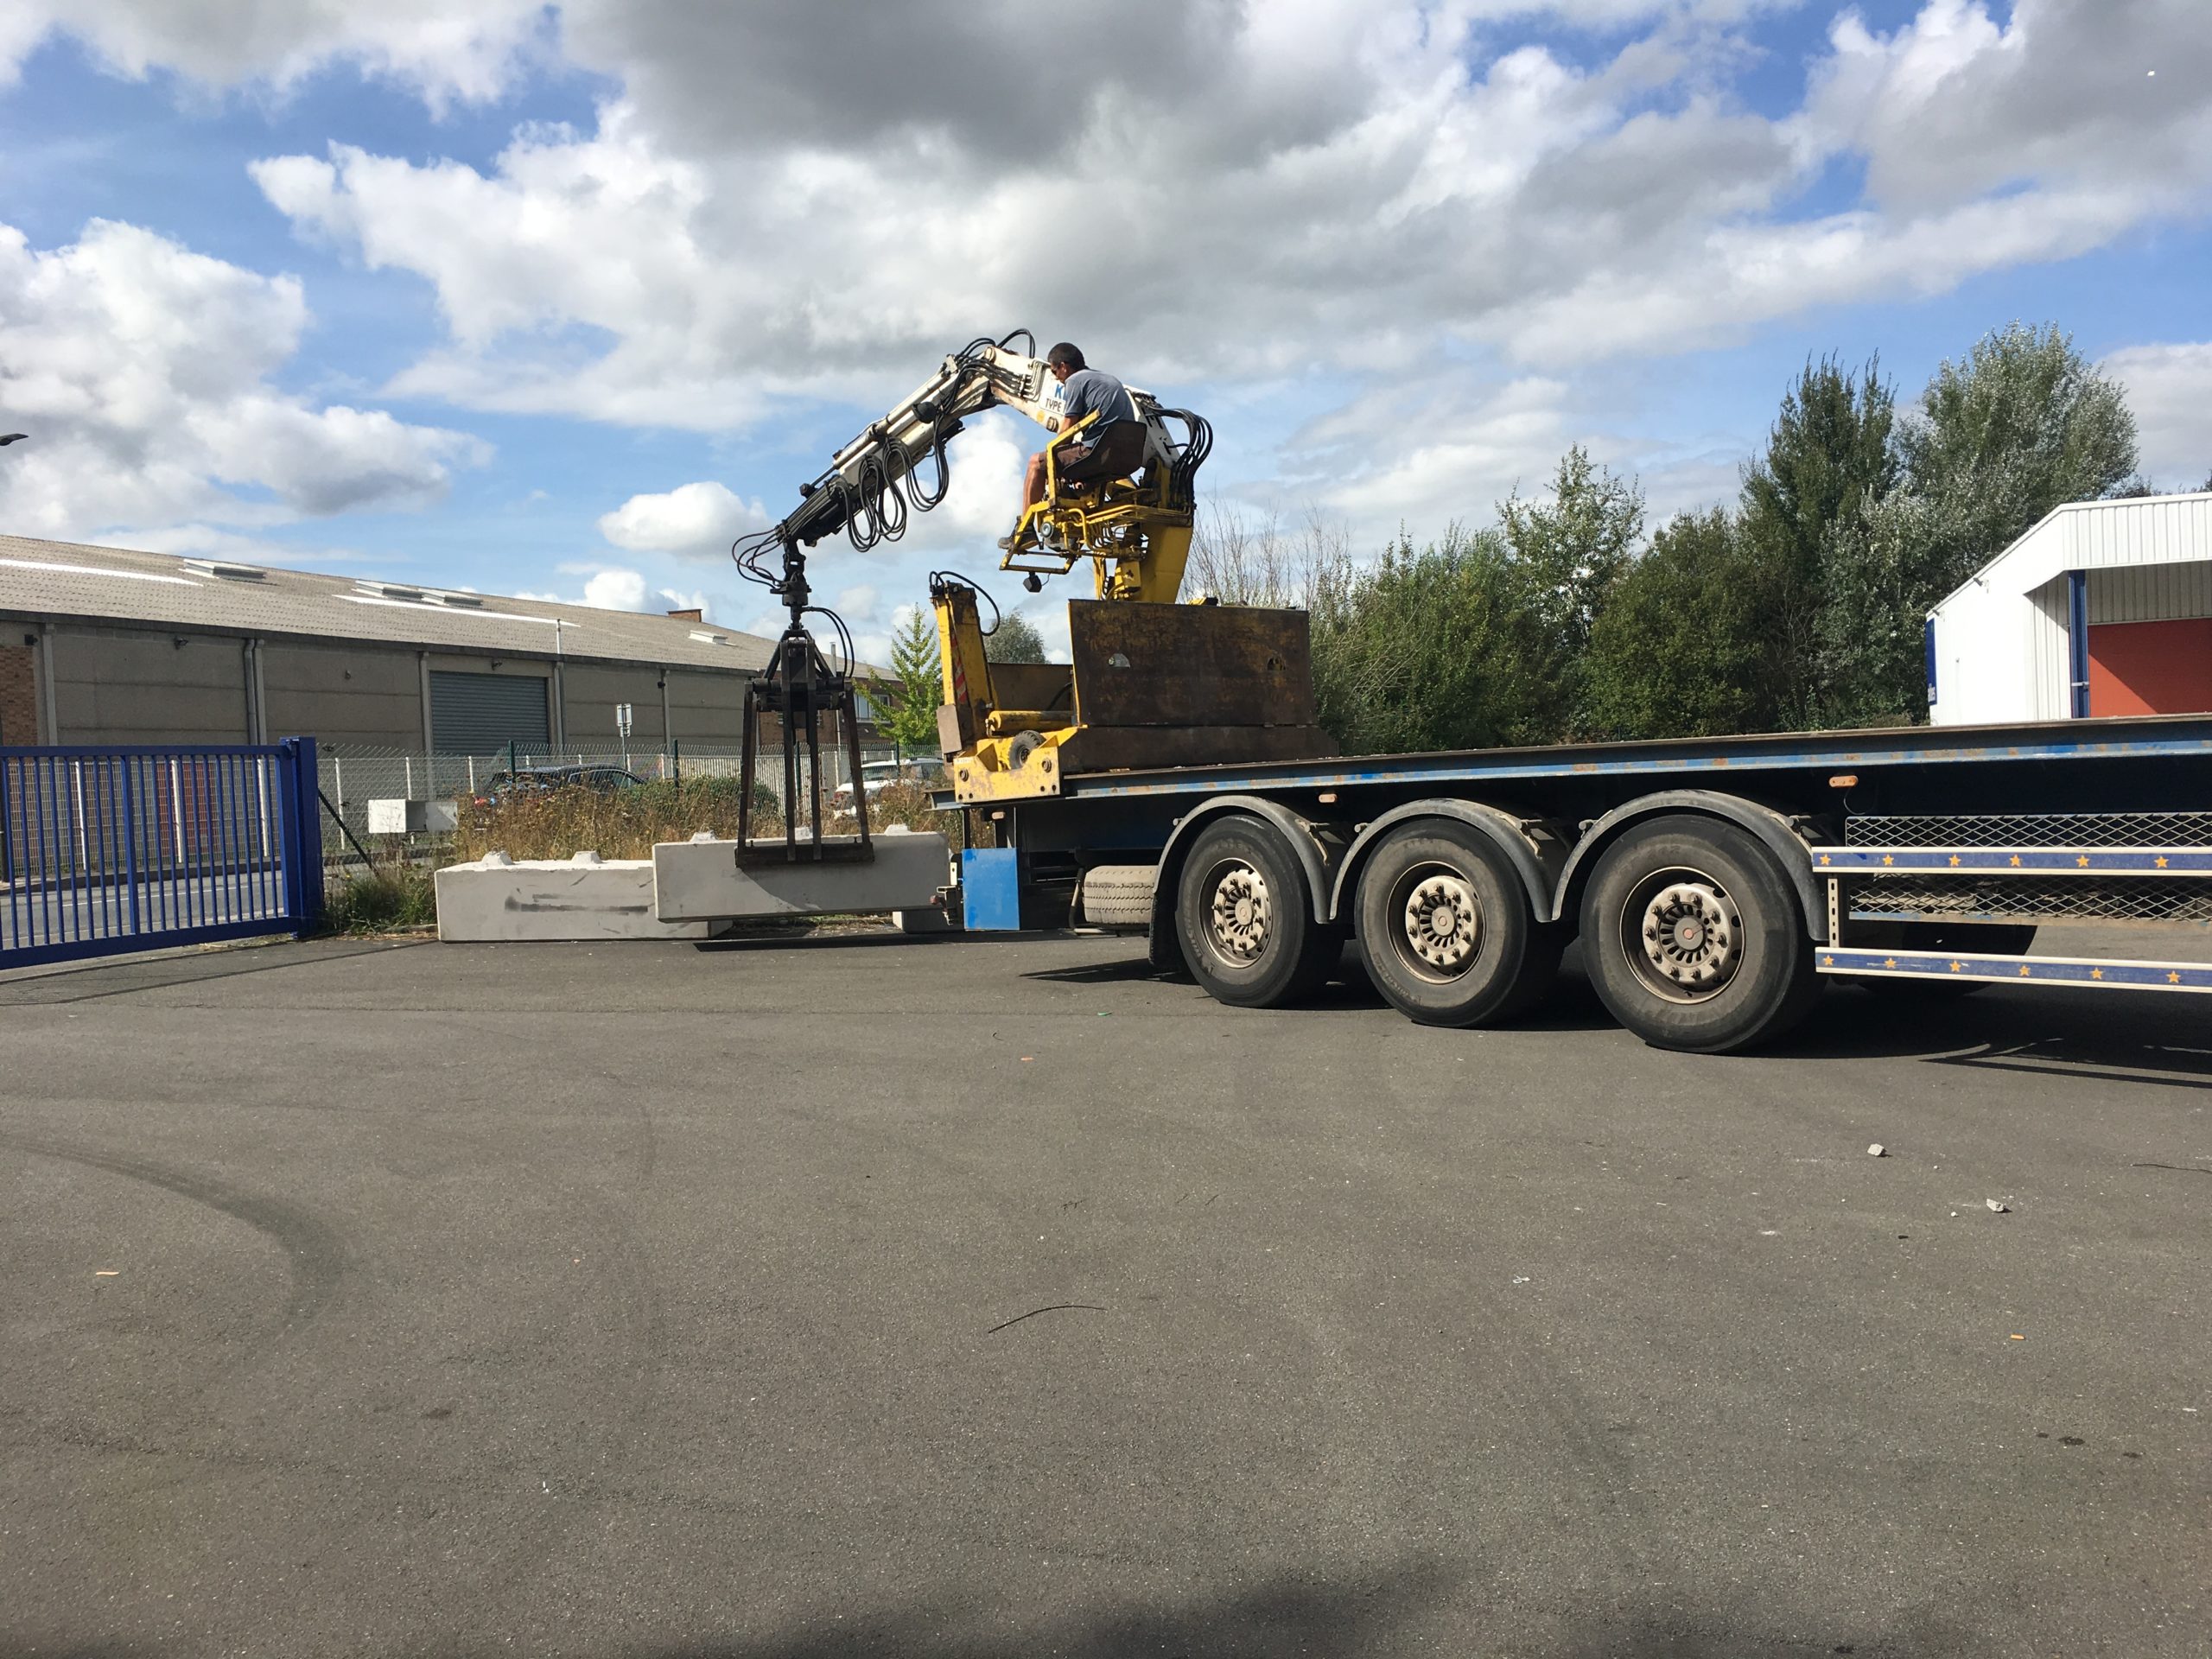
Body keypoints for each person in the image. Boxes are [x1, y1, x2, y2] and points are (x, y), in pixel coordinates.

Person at [999, 342, 1147, 550]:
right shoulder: (1108, 380)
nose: (1056, 378)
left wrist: (1052, 462)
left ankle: (1025, 531)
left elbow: (1068, 426)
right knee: (1067, 466)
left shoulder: (1075, 381)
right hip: (1126, 455)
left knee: (1036, 463)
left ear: (1064, 366)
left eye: (1054, 371)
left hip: (1098, 452)